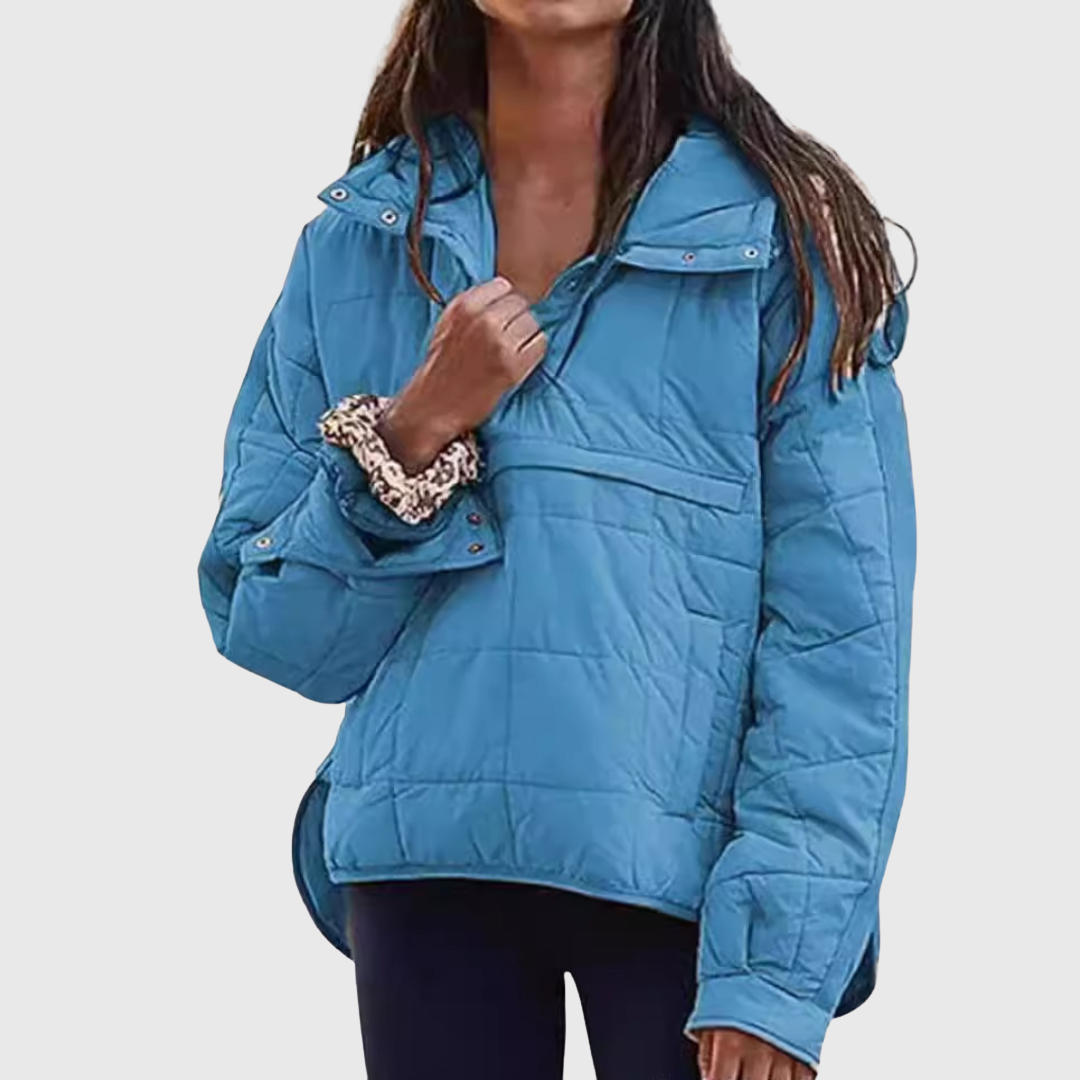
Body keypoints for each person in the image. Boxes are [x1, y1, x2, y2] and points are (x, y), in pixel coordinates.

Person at [197, 1, 917, 1077]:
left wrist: (776, 966)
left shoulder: (779, 243)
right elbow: (275, 630)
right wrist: (411, 432)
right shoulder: (356, 245)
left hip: (689, 887)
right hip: (424, 873)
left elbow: (843, 639)